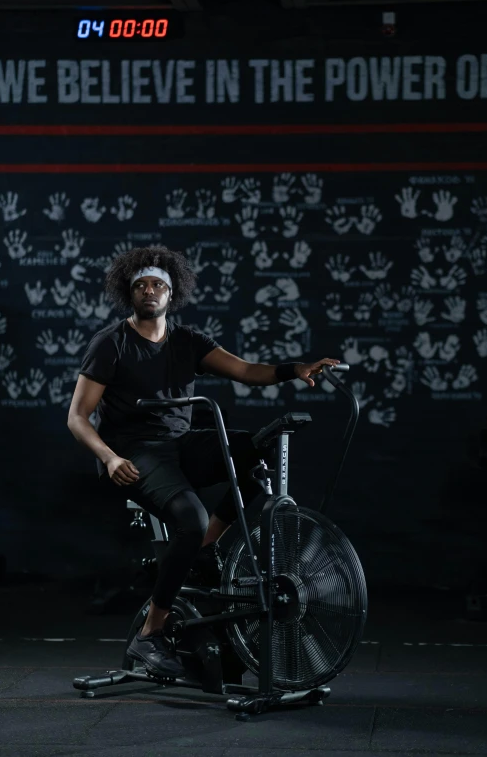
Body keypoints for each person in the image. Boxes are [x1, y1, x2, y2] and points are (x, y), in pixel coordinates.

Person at [67, 244, 340, 679]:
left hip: (179, 445)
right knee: (188, 519)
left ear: (171, 294)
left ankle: (204, 547)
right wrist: (109, 456)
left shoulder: (188, 341)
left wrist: (298, 368)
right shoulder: (111, 344)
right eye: (141, 285)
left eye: (158, 284)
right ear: (129, 293)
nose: (150, 290)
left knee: (256, 448)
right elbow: (77, 417)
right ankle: (150, 634)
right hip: (135, 453)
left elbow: (249, 371)